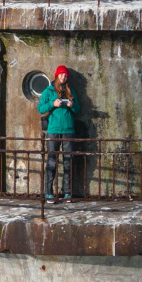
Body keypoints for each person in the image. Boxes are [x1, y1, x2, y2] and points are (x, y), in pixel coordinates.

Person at [37, 65, 79, 200]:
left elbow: (78, 109)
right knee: (51, 162)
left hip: (68, 130)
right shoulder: (48, 91)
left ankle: (67, 192)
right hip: (53, 130)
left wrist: (72, 106)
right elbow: (40, 108)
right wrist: (52, 104)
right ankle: (48, 192)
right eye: (61, 74)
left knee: (68, 162)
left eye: (65, 75)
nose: (63, 77)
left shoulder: (70, 90)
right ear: (56, 76)